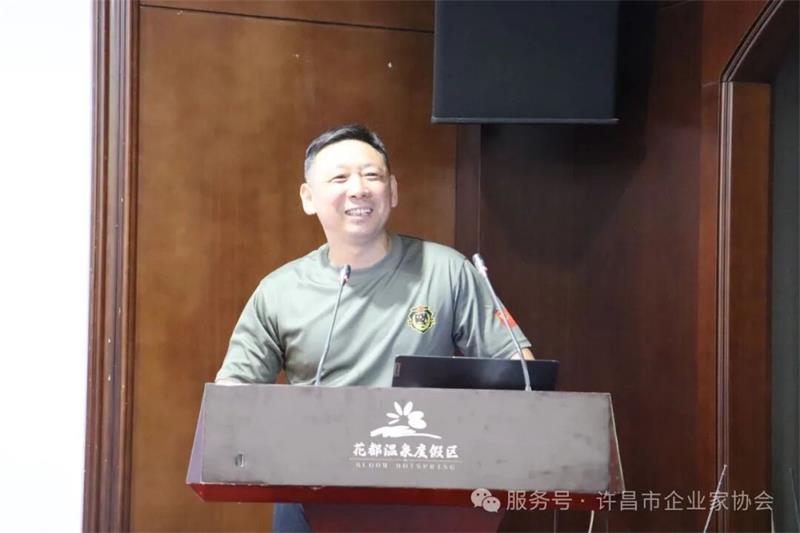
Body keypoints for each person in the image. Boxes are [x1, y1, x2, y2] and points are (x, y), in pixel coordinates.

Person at [214, 124, 533, 531]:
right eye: (339, 178)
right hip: (311, 492)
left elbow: (519, 370)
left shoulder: (446, 271)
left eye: (371, 176)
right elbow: (234, 395)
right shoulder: (280, 291)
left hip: (425, 487)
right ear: (308, 198)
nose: (359, 189)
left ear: (393, 191)